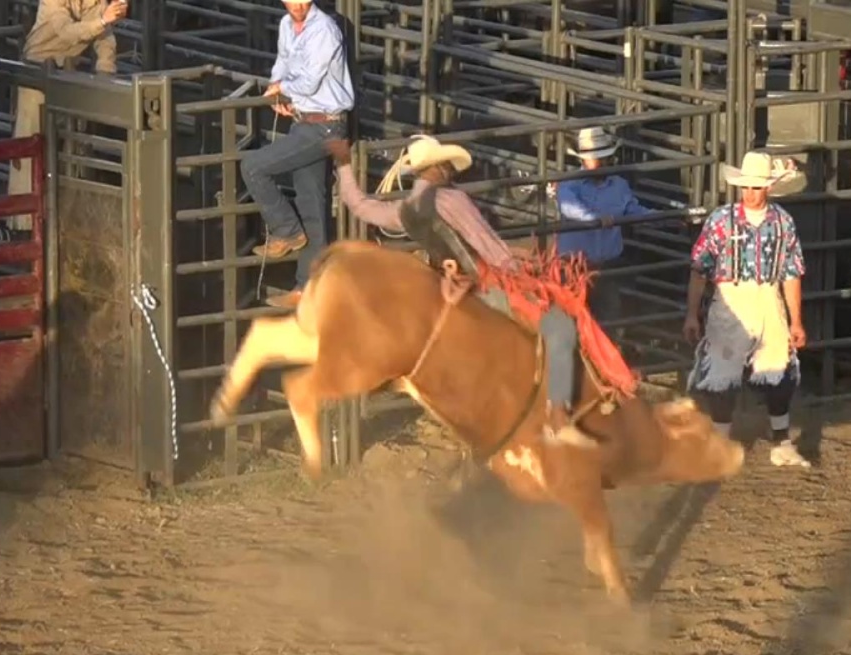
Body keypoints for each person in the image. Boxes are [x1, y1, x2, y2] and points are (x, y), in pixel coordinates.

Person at [327, 134, 620, 448]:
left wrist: (344, 165)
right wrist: (519, 264)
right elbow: (486, 246)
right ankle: (558, 415)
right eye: (447, 165)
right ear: (437, 167)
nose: (452, 170)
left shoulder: (407, 208)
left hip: (448, 288)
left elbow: (360, 206)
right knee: (560, 325)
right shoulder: (452, 199)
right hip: (485, 284)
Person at [683, 151, 810, 469]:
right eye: (746, 187)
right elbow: (699, 268)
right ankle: (720, 444)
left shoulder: (782, 222)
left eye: (756, 187)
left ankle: (781, 442)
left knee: (778, 370)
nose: (750, 193)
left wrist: (796, 320)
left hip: (768, 295)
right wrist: (692, 313)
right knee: (722, 376)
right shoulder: (720, 220)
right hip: (730, 298)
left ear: (768, 187)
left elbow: (791, 273)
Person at [241, 0, 354, 286]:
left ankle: (287, 230)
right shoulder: (286, 25)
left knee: (253, 166)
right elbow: (283, 62)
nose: (298, 4)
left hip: (324, 124)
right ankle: (308, 286)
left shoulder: (324, 29)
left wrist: (281, 89)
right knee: (312, 202)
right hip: (309, 121)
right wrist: (277, 85)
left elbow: (310, 80)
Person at [8, 0, 127, 232]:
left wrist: (106, 72)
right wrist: (103, 20)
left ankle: (63, 219)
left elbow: (105, 39)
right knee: (32, 144)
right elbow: (66, 32)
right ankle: (25, 224)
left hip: (66, 75)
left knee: (67, 149)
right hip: (36, 75)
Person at [549, 126, 658, 322]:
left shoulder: (618, 185)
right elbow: (570, 208)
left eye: (604, 157)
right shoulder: (569, 184)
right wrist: (596, 219)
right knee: (570, 318)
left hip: (605, 267)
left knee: (607, 317)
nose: (601, 163)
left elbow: (634, 211)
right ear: (583, 160)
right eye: (596, 158)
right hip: (573, 267)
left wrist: (663, 218)